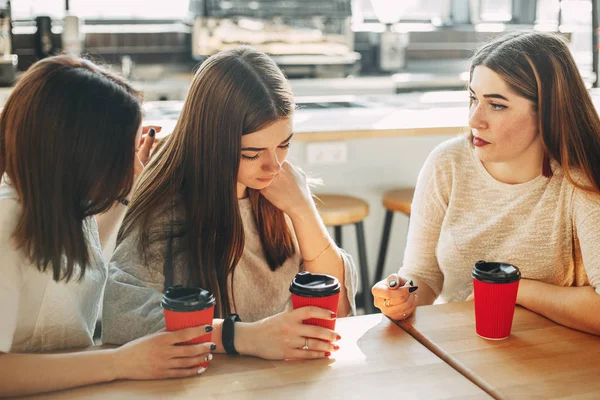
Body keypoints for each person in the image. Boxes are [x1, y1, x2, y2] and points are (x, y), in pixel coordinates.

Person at [102, 46, 358, 360]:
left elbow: (341, 311)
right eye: (252, 154)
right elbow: (121, 317)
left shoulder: (283, 188)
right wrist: (241, 337)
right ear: (212, 143)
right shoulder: (168, 208)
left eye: (284, 144)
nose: (273, 165)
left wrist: (303, 212)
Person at [0, 56, 216, 398]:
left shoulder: (61, 199)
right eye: (128, 151)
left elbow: (70, 268)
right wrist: (121, 362)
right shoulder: (4, 223)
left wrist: (125, 192)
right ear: (85, 154)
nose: (136, 163)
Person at [372, 31, 600, 335]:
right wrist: (401, 297)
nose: (474, 119)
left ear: (546, 111)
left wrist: (514, 290)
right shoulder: (447, 163)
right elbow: (423, 276)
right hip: (458, 351)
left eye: (496, 105)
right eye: (473, 98)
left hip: (551, 362)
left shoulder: (579, 181)